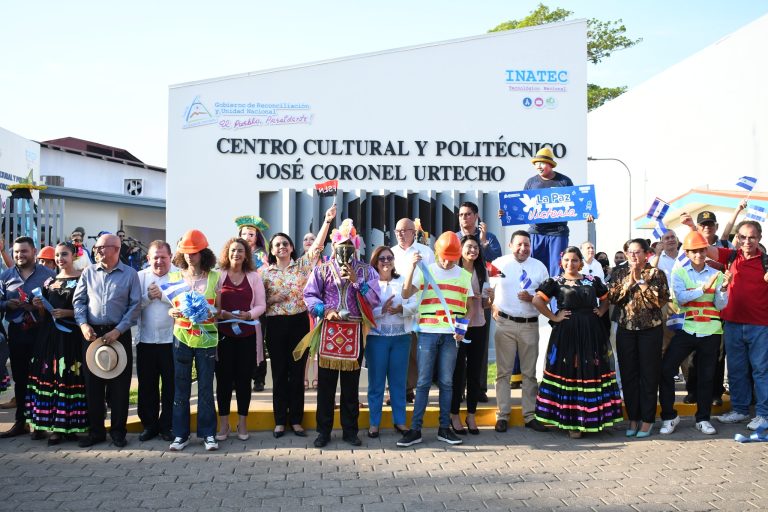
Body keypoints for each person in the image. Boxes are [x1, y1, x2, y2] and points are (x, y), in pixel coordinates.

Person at [303, 219, 381, 448]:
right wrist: (325, 311)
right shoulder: (322, 269)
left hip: (354, 330)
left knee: (350, 386)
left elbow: (375, 300)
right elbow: (309, 295)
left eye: (349, 245)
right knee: (326, 385)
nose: (345, 250)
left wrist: (357, 283)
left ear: (355, 246)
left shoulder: (366, 271)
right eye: (341, 246)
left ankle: (350, 430)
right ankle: (323, 431)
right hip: (330, 328)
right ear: (334, 247)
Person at [532, 246, 623, 438]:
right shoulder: (555, 282)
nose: (570, 264)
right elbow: (537, 301)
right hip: (567, 333)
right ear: (561, 262)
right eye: (566, 260)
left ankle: (593, 418)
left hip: (592, 332)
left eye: (574, 260)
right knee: (570, 372)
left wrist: (602, 311)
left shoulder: (592, 280)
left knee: (591, 370)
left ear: (581, 262)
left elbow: (606, 298)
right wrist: (554, 317)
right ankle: (572, 422)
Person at [262, 205, 334, 438]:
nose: (282, 247)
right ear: (272, 251)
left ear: (292, 248)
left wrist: (326, 221)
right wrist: (272, 298)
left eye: (285, 244)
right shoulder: (265, 274)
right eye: (277, 245)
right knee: (280, 373)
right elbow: (257, 301)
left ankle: (296, 420)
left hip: (298, 323)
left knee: (297, 372)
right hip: (275, 325)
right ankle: (279, 421)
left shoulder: (302, 266)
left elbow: (316, 248)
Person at [397, 232, 472, 447]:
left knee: (447, 383)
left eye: (452, 257)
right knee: (422, 382)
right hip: (428, 332)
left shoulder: (465, 275)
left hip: (451, 335)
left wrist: (462, 329)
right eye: (445, 256)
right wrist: (411, 267)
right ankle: (415, 429)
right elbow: (405, 294)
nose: (448, 261)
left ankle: (444, 428)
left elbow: (467, 307)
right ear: (438, 252)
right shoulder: (426, 271)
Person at [73, 233, 141, 447]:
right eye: (97, 248)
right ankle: (96, 432)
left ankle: (118, 432)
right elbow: (79, 301)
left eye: (102, 248)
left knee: (120, 387)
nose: (98, 251)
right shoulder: (88, 272)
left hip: (118, 334)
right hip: (91, 334)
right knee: (93, 386)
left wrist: (118, 331)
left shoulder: (130, 274)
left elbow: (135, 305)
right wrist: (83, 324)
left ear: (116, 248)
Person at [659, 231, 729, 436]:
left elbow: (721, 304)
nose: (698, 254)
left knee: (707, 377)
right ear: (687, 253)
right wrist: (703, 289)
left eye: (701, 250)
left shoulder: (718, 274)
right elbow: (680, 299)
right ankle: (670, 416)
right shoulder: (679, 273)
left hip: (711, 331)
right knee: (666, 370)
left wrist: (723, 289)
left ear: (706, 251)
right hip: (687, 329)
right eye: (694, 251)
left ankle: (703, 419)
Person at [705, 220, 768, 431]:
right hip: (732, 323)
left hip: (760, 325)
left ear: (759, 238)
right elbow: (704, 247)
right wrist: (690, 226)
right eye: (742, 237)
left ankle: (763, 414)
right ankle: (740, 410)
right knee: (736, 370)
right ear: (737, 239)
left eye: (751, 237)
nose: (747, 241)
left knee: (761, 371)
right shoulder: (731, 256)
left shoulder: (766, 262)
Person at [26, 242, 88, 445]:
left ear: (74, 256)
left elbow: (88, 308)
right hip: (49, 338)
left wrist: (68, 313)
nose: (60, 259)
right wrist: (39, 306)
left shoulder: (83, 279)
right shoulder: (49, 282)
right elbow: (45, 314)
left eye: (65, 255)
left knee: (70, 378)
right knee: (52, 378)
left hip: (72, 337)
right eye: (58, 255)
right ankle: (54, 427)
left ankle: (72, 426)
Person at [608, 238, 670, 438]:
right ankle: (633, 417)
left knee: (649, 375)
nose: (633, 256)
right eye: (630, 252)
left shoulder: (656, 273)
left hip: (649, 330)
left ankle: (648, 419)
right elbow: (613, 298)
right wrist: (629, 281)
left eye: (637, 252)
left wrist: (641, 282)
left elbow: (658, 302)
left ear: (646, 254)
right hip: (626, 329)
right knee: (628, 375)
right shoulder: (618, 272)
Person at [489, 231, 549, 433]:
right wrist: (492, 307)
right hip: (505, 324)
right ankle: (503, 414)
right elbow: (488, 291)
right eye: (519, 244)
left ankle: (530, 415)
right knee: (503, 373)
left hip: (530, 325)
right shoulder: (498, 264)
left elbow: (547, 296)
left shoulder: (539, 266)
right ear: (510, 245)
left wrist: (531, 297)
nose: (523, 248)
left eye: (526, 245)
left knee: (529, 374)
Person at [166, 229, 220, 451]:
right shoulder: (174, 277)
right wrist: (172, 313)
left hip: (207, 339)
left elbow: (220, 310)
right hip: (182, 337)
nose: (190, 256)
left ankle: (208, 435)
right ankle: (180, 435)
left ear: (203, 253)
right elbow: (171, 308)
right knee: (180, 388)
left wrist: (211, 311)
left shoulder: (215, 277)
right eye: (186, 252)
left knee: (206, 388)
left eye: (194, 252)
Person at [0, 237, 57, 438]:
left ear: (34, 252)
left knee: (43, 378)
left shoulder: (49, 276)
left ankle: (41, 423)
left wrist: (41, 307)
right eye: (16, 252)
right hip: (17, 333)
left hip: (42, 333)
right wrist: (8, 305)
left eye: (24, 251)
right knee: (21, 378)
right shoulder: (6, 276)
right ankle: (21, 422)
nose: (19, 255)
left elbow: (58, 303)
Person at [215, 237, 265, 442]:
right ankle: (224, 424)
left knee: (244, 380)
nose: (236, 254)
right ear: (227, 253)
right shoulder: (217, 276)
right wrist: (222, 314)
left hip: (248, 336)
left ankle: (242, 423)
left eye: (241, 251)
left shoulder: (254, 277)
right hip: (224, 336)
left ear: (246, 255)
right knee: (224, 381)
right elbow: (211, 304)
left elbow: (261, 305)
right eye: (233, 250)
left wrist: (249, 315)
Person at [366, 245, 418, 438]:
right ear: (375, 262)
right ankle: (374, 423)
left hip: (401, 338)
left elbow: (415, 304)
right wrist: (382, 310)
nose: (386, 261)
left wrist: (401, 310)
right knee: (376, 382)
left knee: (398, 382)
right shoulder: (369, 284)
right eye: (382, 259)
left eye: (390, 258)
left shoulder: (403, 281)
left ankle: (400, 422)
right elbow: (364, 312)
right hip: (377, 338)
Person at [456, 201, 500, 401]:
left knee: (479, 349)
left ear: (476, 216)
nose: (464, 218)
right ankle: (459, 388)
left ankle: (479, 388)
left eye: (468, 214)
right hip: (459, 303)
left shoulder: (489, 237)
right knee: (458, 350)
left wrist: (483, 243)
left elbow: (495, 262)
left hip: (482, 301)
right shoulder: (454, 238)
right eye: (461, 215)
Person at [449, 235, 491, 435]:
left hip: (478, 324)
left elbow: (485, 303)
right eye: (469, 247)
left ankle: (471, 414)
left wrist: (489, 299)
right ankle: (454, 413)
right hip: (458, 326)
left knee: (474, 371)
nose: (473, 250)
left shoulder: (482, 271)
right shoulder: (453, 270)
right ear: (460, 249)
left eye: (475, 247)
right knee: (458, 372)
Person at [135, 240, 176, 442]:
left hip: (172, 341)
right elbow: (132, 307)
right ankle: (149, 425)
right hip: (146, 341)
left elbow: (184, 305)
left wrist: (163, 297)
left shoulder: (178, 276)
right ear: (148, 258)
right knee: (147, 386)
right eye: (155, 257)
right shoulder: (140, 277)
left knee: (170, 386)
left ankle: (167, 426)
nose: (159, 261)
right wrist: (148, 297)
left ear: (170, 258)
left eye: (163, 257)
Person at [391, 217, 435, 403]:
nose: (401, 234)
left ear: (413, 232)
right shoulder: (390, 253)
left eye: (405, 230)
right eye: (398, 231)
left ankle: (418, 389)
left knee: (418, 353)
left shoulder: (425, 251)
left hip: (420, 307)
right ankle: (402, 390)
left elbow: (432, 278)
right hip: (394, 308)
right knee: (399, 353)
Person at [524, 147, 574, 277]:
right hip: (536, 232)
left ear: (550, 164)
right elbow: (521, 205)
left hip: (558, 232)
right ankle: (535, 297)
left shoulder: (564, 181)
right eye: (536, 163)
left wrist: (587, 214)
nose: (538, 166)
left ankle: (556, 297)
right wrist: (506, 213)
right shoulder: (531, 182)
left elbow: (577, 203)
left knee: (557, 269)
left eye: (542, 163)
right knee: (535, 269)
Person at [234, 215, 269, 392]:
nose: (248, 237)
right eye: (244, 234)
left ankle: (259, 377)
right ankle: (238, 377)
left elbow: (264, 275)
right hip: (238, 300)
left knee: (257, 340)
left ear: (257, 237)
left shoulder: (261, 255)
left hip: (256, 301)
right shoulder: (235, 252)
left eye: (251, 234)